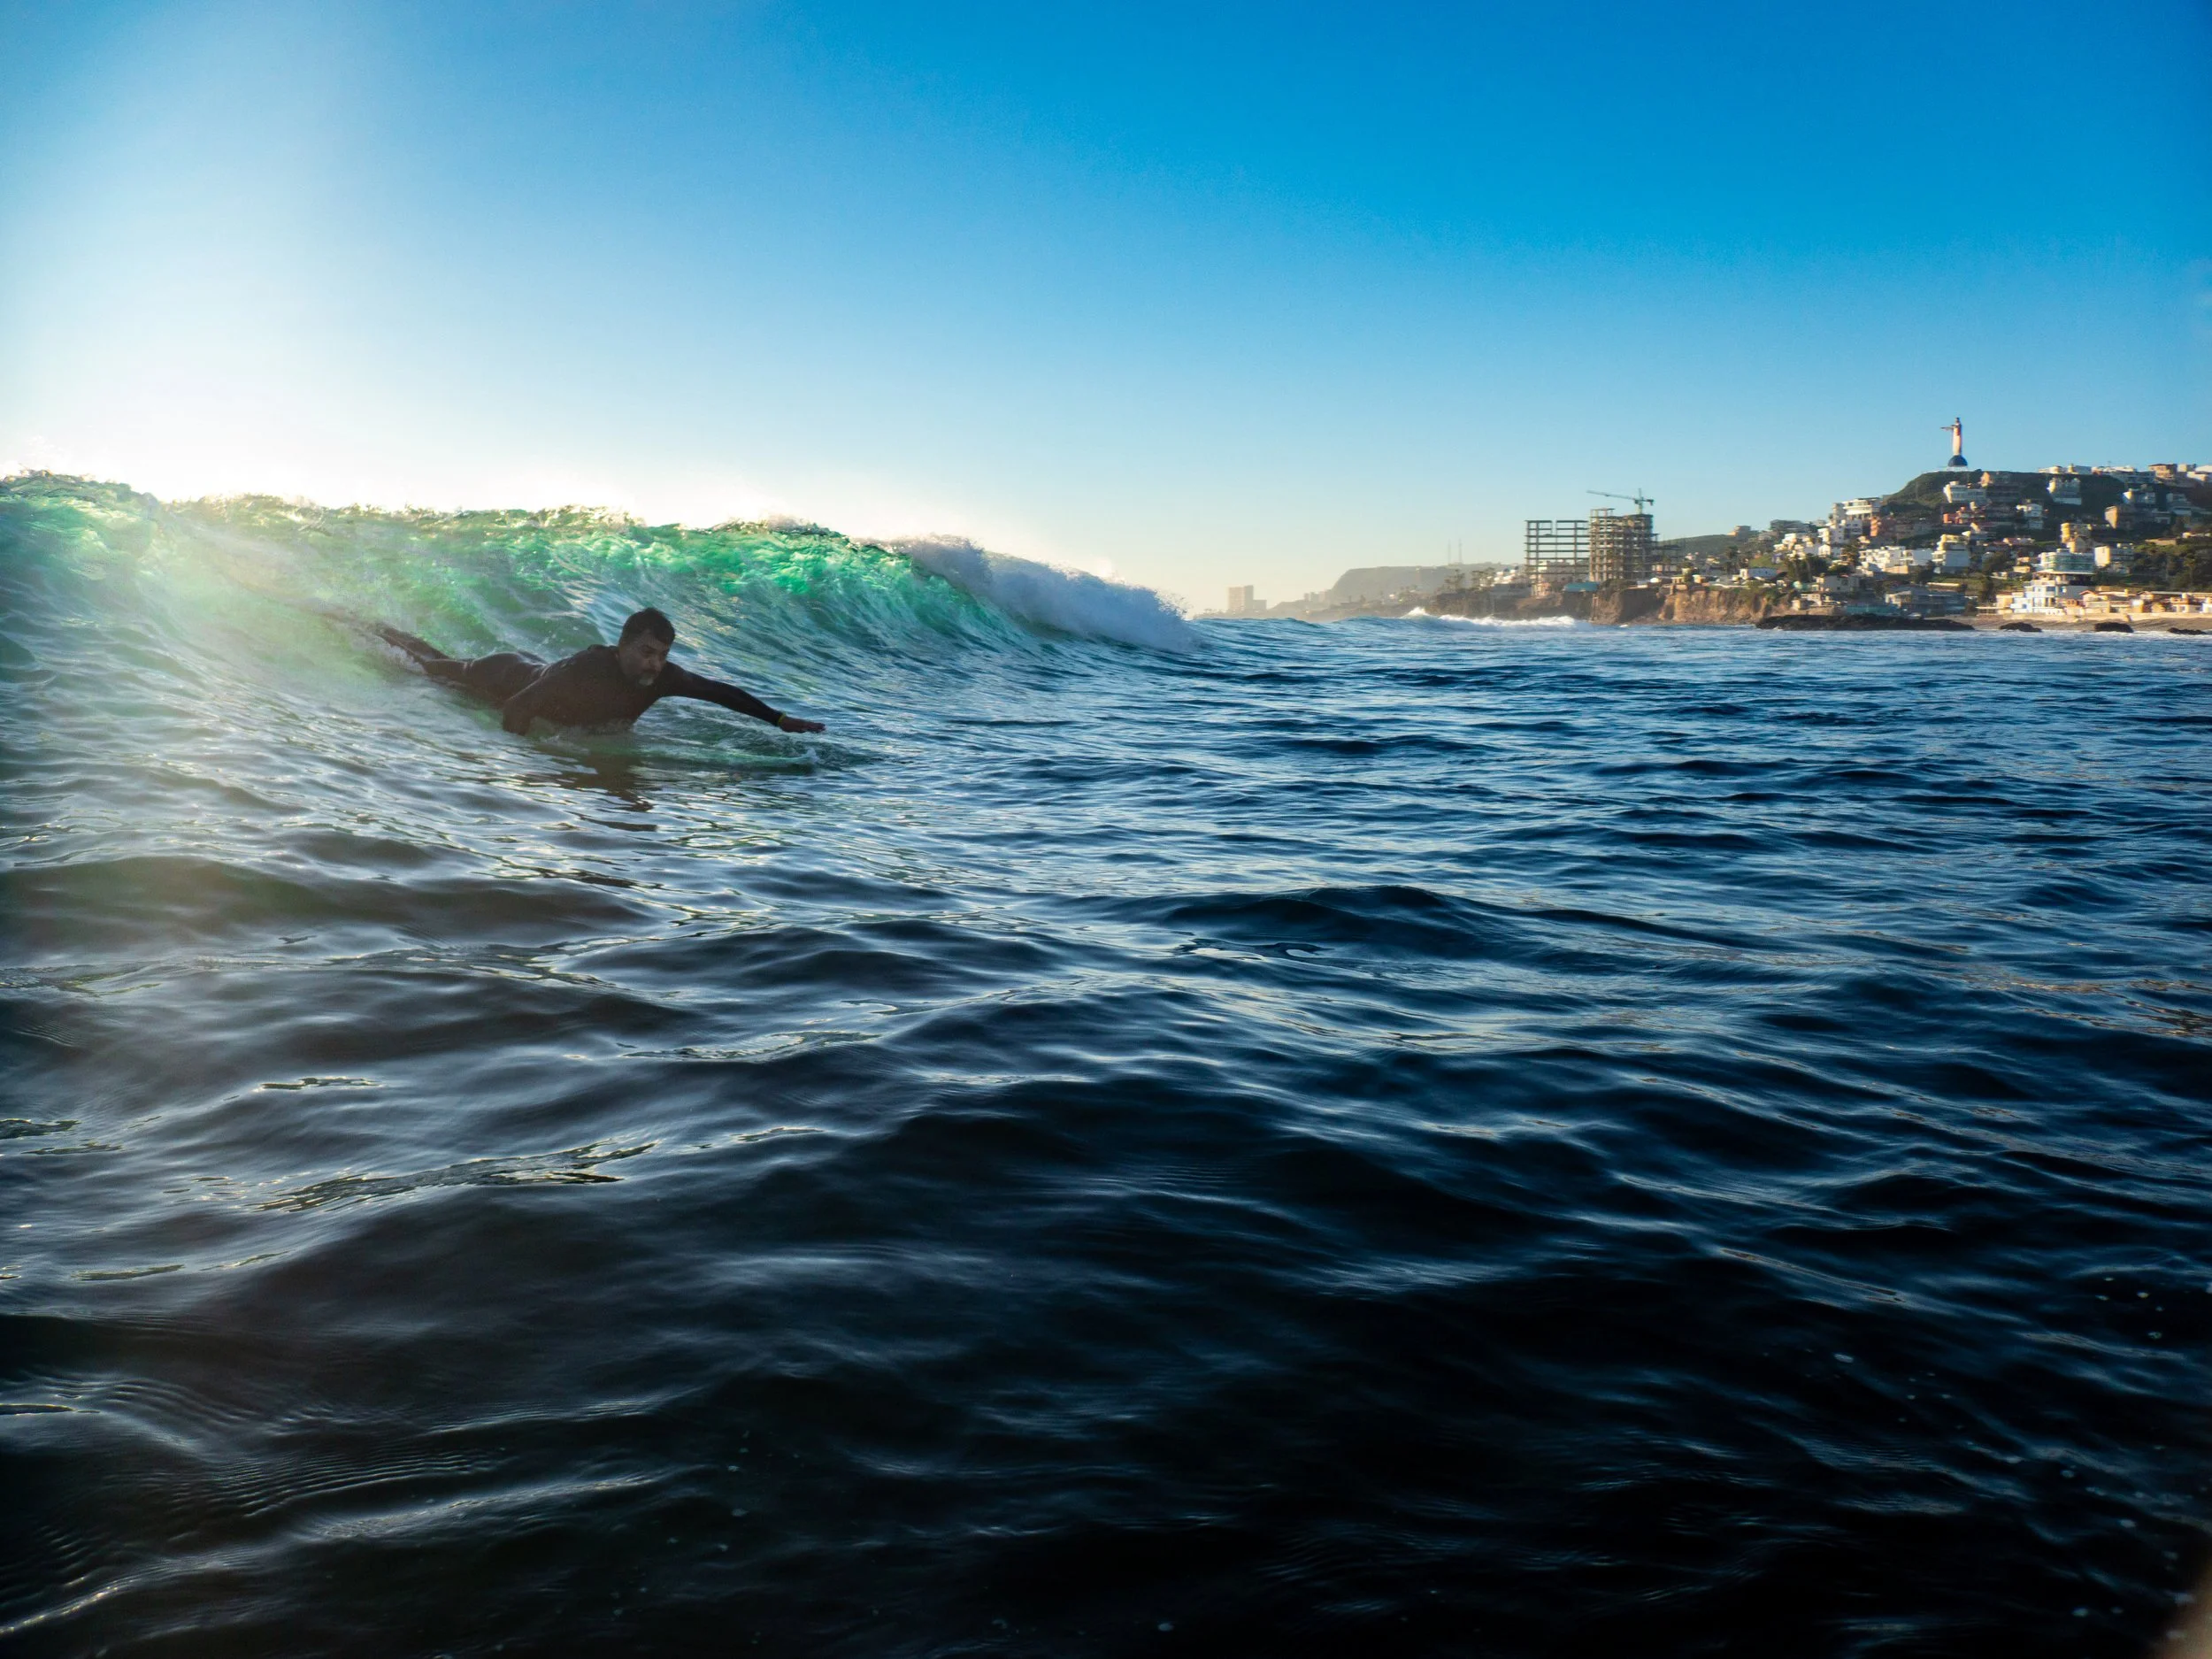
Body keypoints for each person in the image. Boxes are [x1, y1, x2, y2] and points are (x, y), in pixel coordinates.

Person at [378, 607, 825, 736]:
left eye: (662, 654)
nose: (655, 663)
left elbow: (719, 692)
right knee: (425, 665)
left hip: (524, 675)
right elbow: (518, 705)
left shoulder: (662, 678)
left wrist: (780, 720)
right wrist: (517, 762)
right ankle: (372, 627)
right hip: (500, 675)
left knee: (430, 659)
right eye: (646, 652)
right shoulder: (587, 668)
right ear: (621, 646)